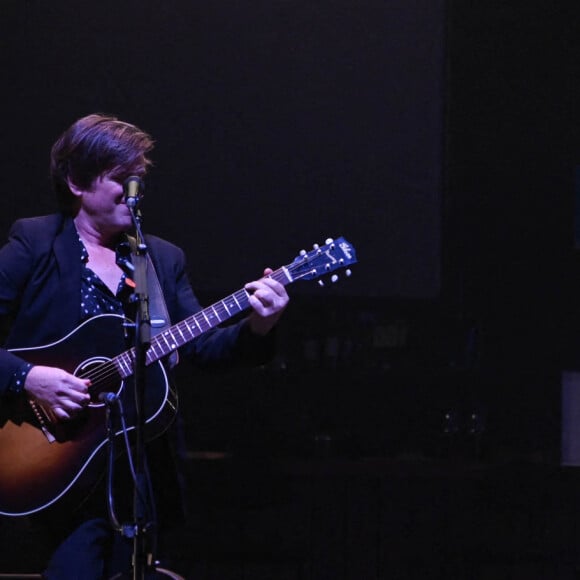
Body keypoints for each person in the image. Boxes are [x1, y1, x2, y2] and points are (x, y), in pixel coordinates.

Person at [0, 113, 289, 578]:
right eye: (120, 178)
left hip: (137, 478)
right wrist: (28, 378)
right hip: (49, 464)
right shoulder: (35, 242)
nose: (134, 189)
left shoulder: (160, 258)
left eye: (139, 177)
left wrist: (261, 323)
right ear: (76, 182)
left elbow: (202, 347)